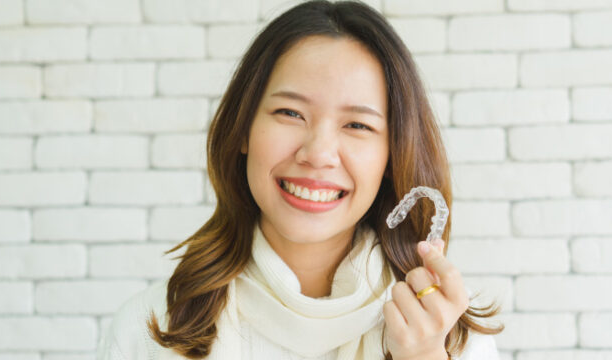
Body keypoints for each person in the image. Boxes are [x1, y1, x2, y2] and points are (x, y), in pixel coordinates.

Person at [97, 1, 502, 359]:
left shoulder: (449, 338)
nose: (318, 153)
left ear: (392, 157)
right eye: (290, 113)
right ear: (242, 130)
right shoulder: (149, 332)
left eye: (358, 124)